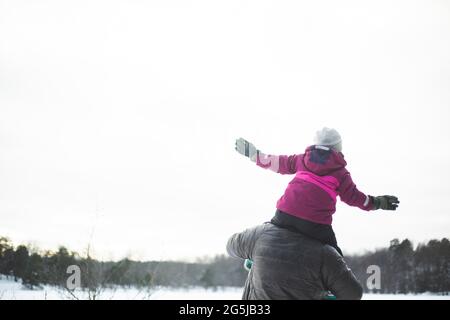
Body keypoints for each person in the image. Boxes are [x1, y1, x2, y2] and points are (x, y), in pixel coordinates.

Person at [234, 128, 399, 256]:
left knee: (270, 233)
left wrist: (254, 154)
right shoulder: (340, 172)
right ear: (338, 147)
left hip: (285, 214)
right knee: (333, 254)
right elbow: (354, 197)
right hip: (315, 223)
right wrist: (378, 202)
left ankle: (257, 256)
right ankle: (331, 286)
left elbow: (275, 162)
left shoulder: (301, 159)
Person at [226, 222, 364, 300]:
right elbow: (353, 294)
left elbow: (231, 246)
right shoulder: (325, 252)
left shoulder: (262, 235)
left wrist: (255, 254)